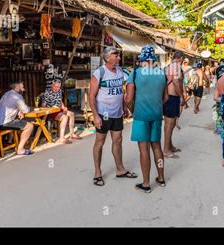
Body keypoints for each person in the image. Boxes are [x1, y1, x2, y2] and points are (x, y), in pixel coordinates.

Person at [89, 47, 136, 187]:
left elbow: (120, 91)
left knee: (118, 140)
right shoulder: (99, 73)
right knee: (100, 142)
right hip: (103, 113)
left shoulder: (120, 71)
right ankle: (97, 172)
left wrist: (124, 107)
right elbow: (91, 95)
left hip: (117, 113)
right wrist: (95, 116)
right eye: (116, 55)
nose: (119, 58)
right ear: (108, 57)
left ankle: (120, 169)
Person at [126, 45, 167, 193]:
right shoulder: (162, 74)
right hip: (156, 115)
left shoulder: (135, 74)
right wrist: (156, 105)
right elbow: (166, 97)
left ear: (142, 59)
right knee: (156, 147)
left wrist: (132, 110)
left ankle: (146, 183)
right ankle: (161, 178)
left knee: (144, 150)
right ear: (153, 59)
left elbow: (129, 98)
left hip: (141, 116)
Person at [0, 81, 35, 155]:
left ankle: (13, 142)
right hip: (6, 122)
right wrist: (24, 110)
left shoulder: (7, 93)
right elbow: (26, 110)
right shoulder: (17, 96)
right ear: (17, 88)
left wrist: (19, 111)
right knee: (29, 126)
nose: (23, 89)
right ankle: (20, 149)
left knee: (21, 122)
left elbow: (13, 106)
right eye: (22, 87)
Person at [42, 80, 82, 144]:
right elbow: (43, 105)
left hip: (59, 109)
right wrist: (46, 107)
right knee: (65, 117)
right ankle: (61, 138)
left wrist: (63, 107)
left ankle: (72, 134)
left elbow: (60, 101)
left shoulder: (60, 91)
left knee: (71, 114)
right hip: (52, 111)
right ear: (52, 85)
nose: (57, 88)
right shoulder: (47, 92)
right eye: (55, 86)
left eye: (58, 87)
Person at [163, 50, 185, 158]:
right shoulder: (176, 66)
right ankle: (166, 150)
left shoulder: (170, 66)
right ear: (181, 58)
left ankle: (169, 146)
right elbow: (176, 82)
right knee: (169, 124)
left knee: (170, 124)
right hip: (172, 97)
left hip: (171, 97)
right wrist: (182, 97)